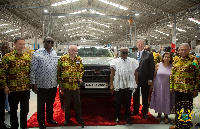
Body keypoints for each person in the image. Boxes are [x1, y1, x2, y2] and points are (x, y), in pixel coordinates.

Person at [0, 37, 31, 129]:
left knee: (25, 110)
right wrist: (5, 86)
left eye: (23, 44)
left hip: (25, 88)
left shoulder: (27, 57)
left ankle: (24, 126)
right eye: (20, 44)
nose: (22, 46)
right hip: (13, 89)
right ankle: (14, 126)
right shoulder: (7, 57)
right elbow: (2, 73)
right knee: (13, 110)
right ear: (14, 45)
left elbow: (30, 72)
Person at [169, 43, 200, 129]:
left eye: (185, 49)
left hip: (188, 89)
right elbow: (172, 74)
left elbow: (198, 75)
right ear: (179, 50)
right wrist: (171, 86)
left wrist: (196, 89)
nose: (183, 51)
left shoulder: (194, 60)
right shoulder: (175, 59)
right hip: (177, 89)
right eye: (181, 50)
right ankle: (178, 124)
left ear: (189, 50)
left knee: (187, 109)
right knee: (178, 108)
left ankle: (185, 124)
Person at [30, 37, 58, 129]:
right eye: (48, 41)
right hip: (41, 84)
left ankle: (50, 119)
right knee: (41, 104)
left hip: (53, 84)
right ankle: (41, 122)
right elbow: (32, 70)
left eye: (51, 41)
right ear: (44, 42)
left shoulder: (54, 53)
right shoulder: (37, 53)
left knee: (50, 103)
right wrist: (33, 83)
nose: (50, 43)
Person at [110, 47, 138, 125]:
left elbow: (136, 73)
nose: (125, 54)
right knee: (118, 102)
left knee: (128, 102)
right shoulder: (115, 62)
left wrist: (136, 84)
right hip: (119, 85)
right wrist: (111, 84)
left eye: (126, 53)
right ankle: (117, 116)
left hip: (129, 84)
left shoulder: (133, 62)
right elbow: (112, 74)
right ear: (120, 53)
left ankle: (127, 116)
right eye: (123, 53)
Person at [57, 45, 84, 126]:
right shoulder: (63, 59)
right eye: (73, 50)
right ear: (69, 50)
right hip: (66, 85)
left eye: (76, 51)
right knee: (67, 103)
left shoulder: (78, 59)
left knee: (77, 103)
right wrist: (60, 84)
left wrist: (80, 77)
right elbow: (59, 71)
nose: (74, 52)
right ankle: (67, 118)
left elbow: (81, 70)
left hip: (75, 85)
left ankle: (78, 117)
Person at [132, 40, 155, 119]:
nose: (140, 45)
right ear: (137, 45)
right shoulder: (132, 54)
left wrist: (150, 79)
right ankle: (135, 110)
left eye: (142, 44)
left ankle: (144, 112)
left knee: (145, 96)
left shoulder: (149, 54)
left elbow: (152, 68)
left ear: (144, 45)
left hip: (145, 79)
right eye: (139, 44)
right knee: (135, 95)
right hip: (135, 79)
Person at [150, 52, 175, 124]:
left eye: (168, 57)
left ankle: (166, 116)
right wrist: (152, 84)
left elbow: (173, 78)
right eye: (165, 57)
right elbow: (154, 75)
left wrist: (172, 87)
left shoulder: (173, 66)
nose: (166, 58)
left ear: (170, 58)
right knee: (159, 99)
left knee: (167, 99)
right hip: (158, 85)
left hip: (168, 86)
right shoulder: (158, 65)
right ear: (163, 57)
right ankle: (159, 115)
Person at [0, 42, 11, 129]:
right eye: (3, 48)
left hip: (4, 86)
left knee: (2, 105)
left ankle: (2, 123)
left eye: (6, 47)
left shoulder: (8, 58)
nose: (5, 49)